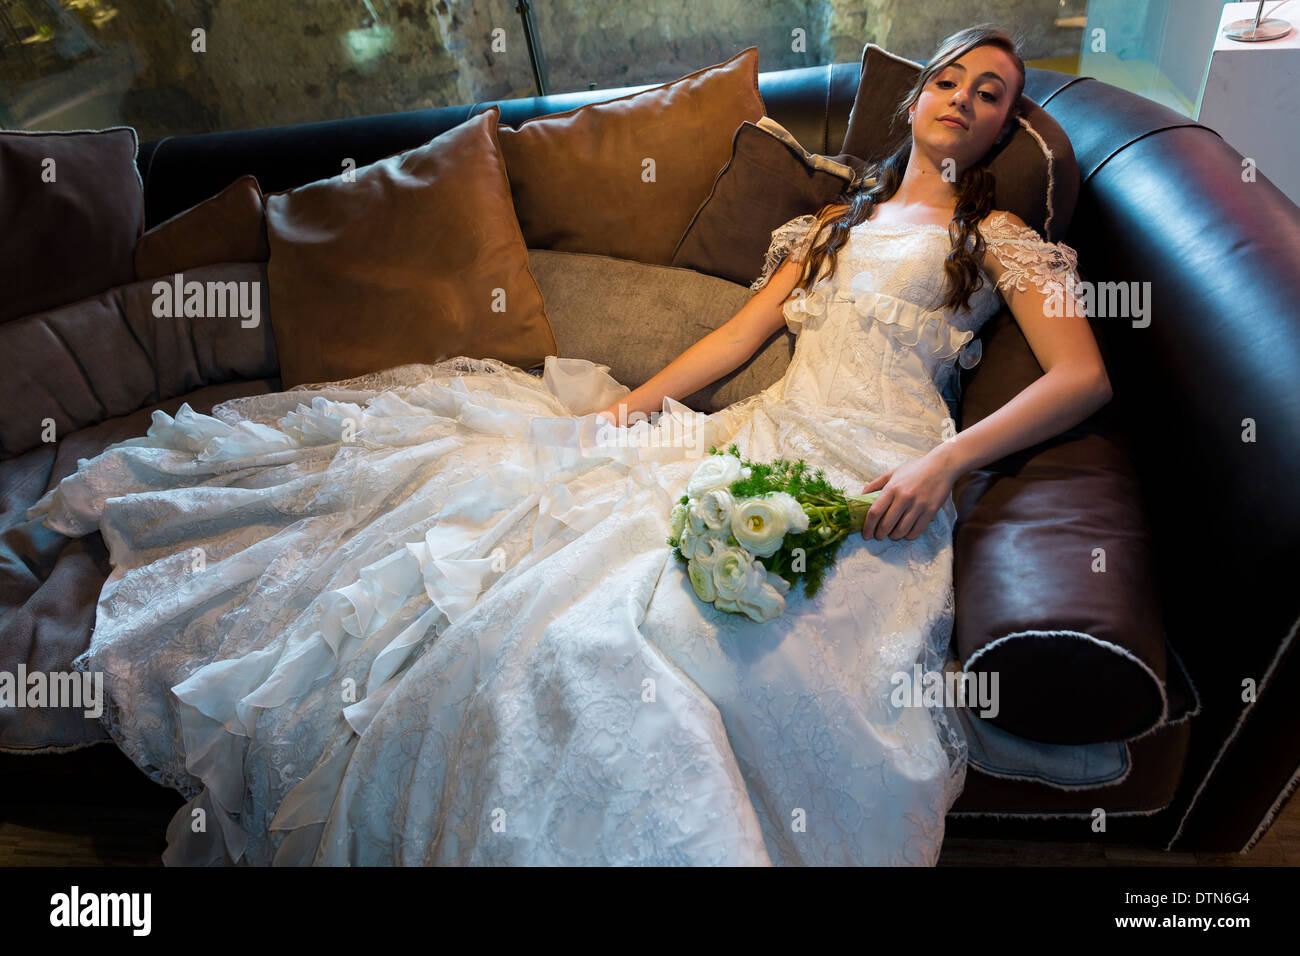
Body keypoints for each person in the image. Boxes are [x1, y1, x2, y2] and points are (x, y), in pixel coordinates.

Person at [30, 24, 1109, 866]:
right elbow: (738, 332)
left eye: (990, 95)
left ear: (1002, 129)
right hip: (761, 439)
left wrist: (941, 463)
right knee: (547, 591)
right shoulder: (831, 226)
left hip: (885, 471)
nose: (962, 101)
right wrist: (637, 404)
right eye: (950, 80)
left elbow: (1080, 377)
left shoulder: (999, 238)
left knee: (721, 650)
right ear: (918, 96)